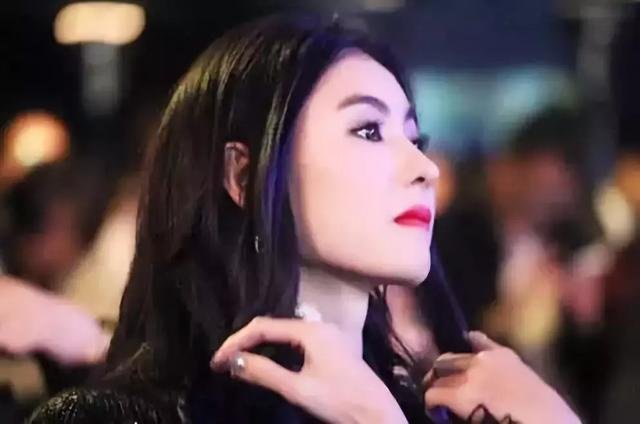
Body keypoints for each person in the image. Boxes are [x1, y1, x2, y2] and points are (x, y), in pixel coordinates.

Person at [29, 15, 580, 423]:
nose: (424, 168)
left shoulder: (435, 406)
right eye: (369, 130)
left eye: (415, 138)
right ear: (243, 175)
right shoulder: (119, 417)